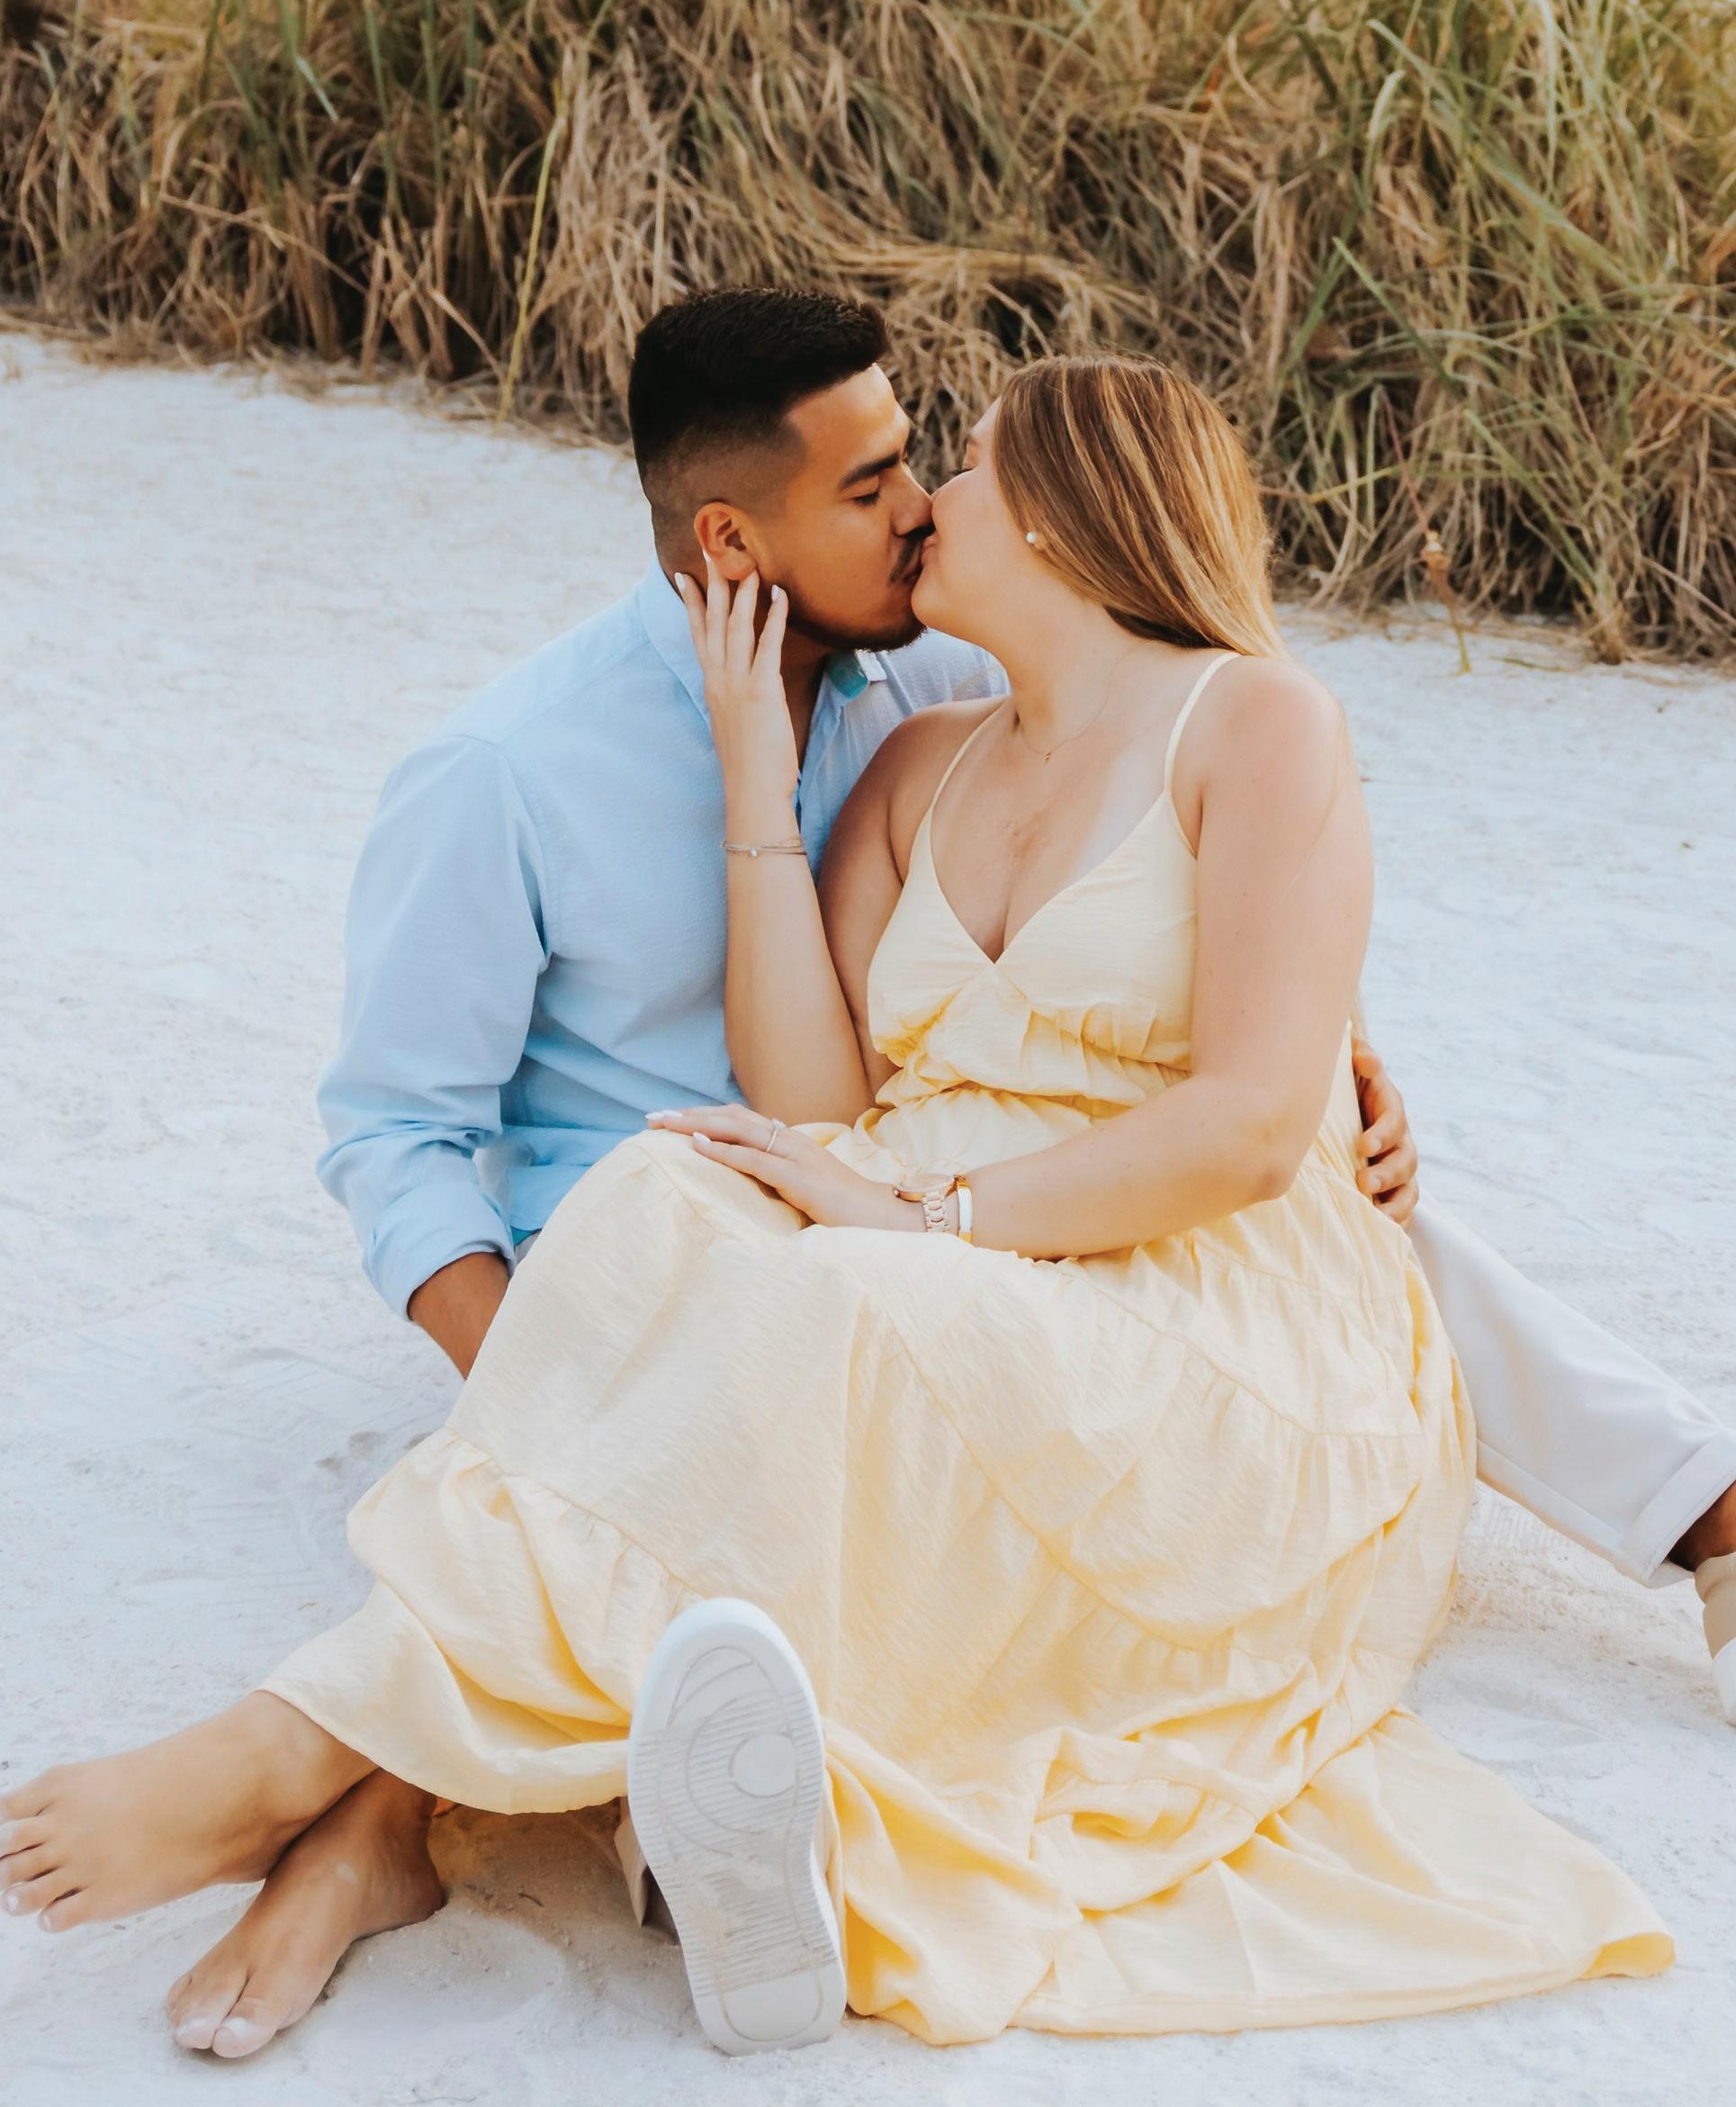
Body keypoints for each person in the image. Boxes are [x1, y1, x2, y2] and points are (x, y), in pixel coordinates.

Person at [1, 295, 1728, 2058]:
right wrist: (757, 796)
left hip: (1028, 1242)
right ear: (732, 540)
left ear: (1057, 518)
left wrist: (1322, 1064)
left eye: (941, 465)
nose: (919, 508)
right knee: (664, 1206)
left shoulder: (1015, 684)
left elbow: (1226, 1072)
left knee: (845, 1307)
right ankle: (556, 1806)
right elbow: (744, 1099)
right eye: (883, 480)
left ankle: (327, 1768)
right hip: (774, 1221)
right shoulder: (574, 765)